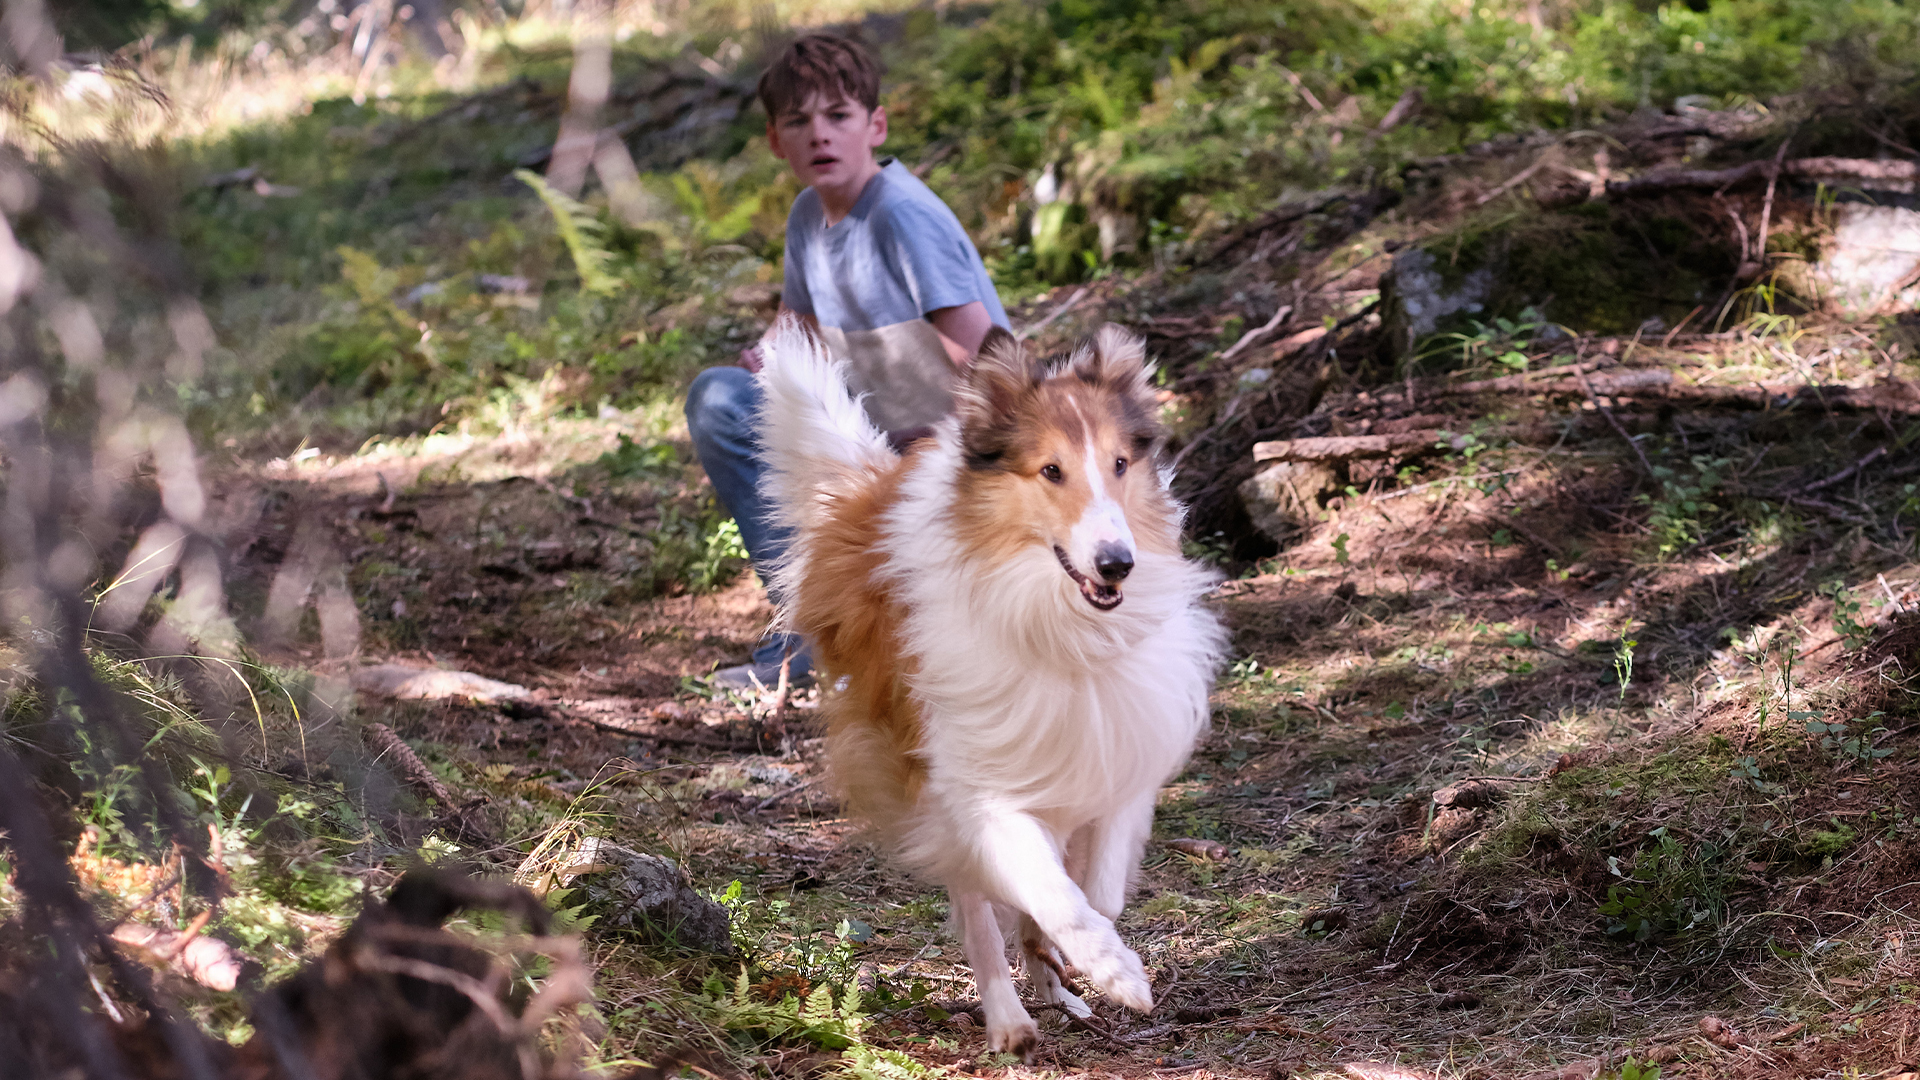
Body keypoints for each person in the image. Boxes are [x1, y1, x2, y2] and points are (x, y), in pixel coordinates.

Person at [686, 33, 1009, 690]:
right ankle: (813, 637)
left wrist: (956, 459)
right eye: (799, 122)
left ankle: (884, 641)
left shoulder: (902, 217)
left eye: (838, 116)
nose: (820, 136)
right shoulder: (809, 215)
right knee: (720, 400)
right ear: (777, 140)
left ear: (875, 125)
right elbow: (793, 330)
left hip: (950, 452)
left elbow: (988, 361)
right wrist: (767, 361)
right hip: (867, 442)